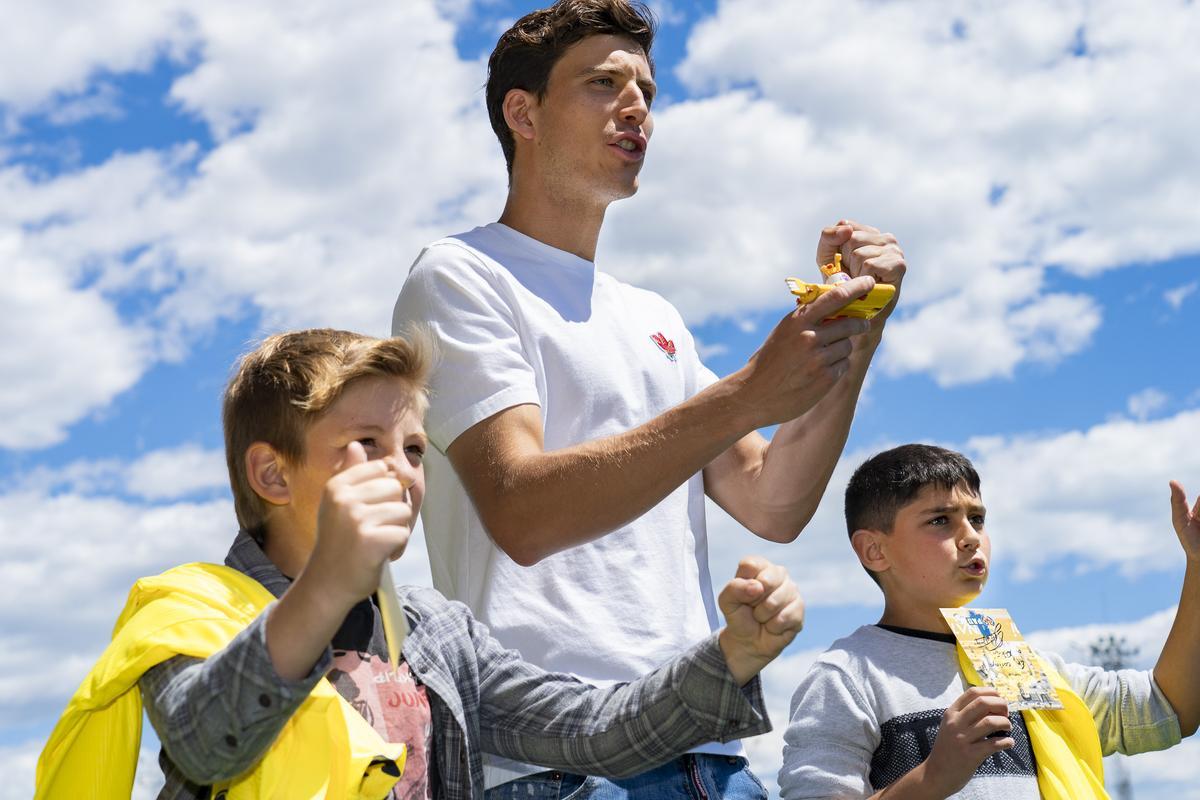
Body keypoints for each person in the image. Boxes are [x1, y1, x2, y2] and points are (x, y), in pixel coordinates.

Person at [392, 1, 906, 795]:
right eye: (604, 83)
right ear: (521, 113)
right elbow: (522, 512)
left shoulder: (655, 316)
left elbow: (774, 501)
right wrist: (743, 396)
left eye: (647, 91)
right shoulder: (460, 276)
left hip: (712, 753)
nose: (637, 107)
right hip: (553, 765)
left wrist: (856, 332)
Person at [36, 328, 806, 800]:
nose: (403, 470)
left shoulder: (437, 632)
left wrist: (730, 656)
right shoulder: (186, 604)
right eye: (364, 444)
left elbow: (591, 732)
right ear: (273, 476)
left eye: (412, 449)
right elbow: (209, 744)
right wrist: (327, 585)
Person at [778, 443, 1199, 799]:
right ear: (874, 551)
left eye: (977, 518)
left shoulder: (1013, 658)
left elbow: (1169, 709)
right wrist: (931, 778)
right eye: (940, 520)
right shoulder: (846, 675)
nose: (970, 536)